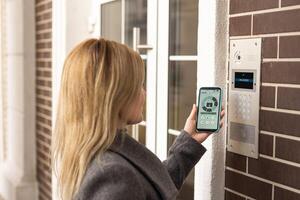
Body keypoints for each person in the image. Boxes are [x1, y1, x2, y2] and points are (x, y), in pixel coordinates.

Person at [52, 38, 225, 200]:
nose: (144, 93)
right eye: (139, 85)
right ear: (116, 96)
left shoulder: (103, 153)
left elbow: (152, 188)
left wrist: (189, 141)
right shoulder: (112, 176)